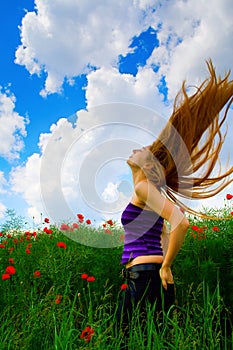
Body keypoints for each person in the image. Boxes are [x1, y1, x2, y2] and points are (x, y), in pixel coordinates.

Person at [117, 59, 233, 331]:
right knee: (153, 337)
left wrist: (166, 266)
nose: (136, 149)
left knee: (130, 337)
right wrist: (163, 265)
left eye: (141, 150)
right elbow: (164, 234)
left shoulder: (143, 188)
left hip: (144, 276)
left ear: (147, 165)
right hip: (145, 276)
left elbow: (180, 222)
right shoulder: (147, 192)